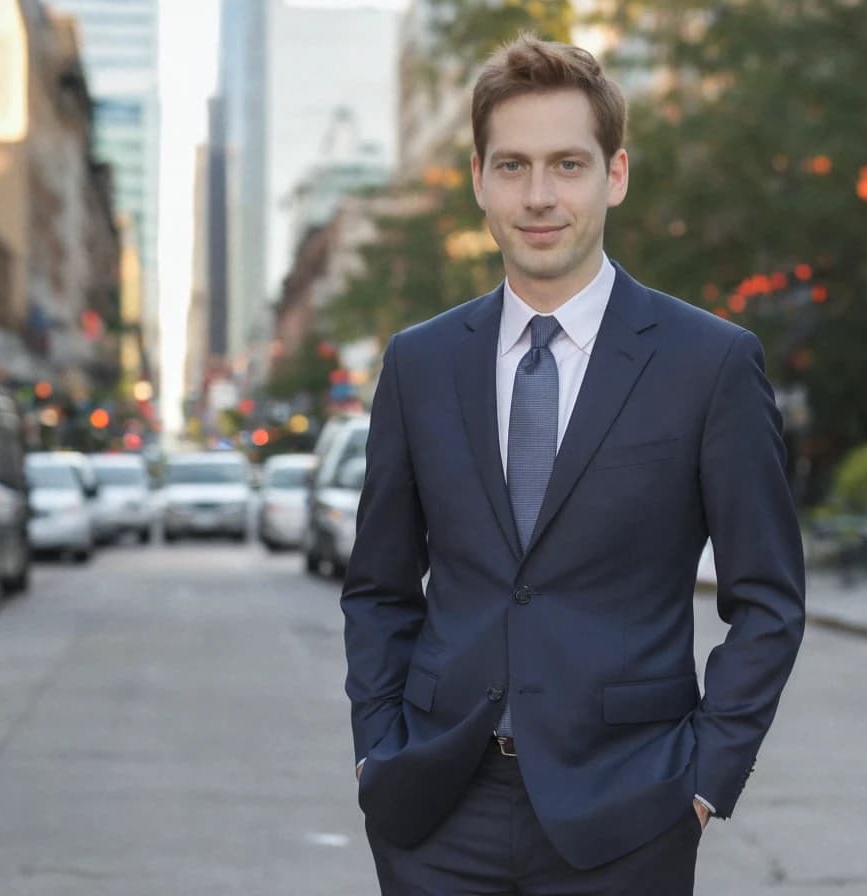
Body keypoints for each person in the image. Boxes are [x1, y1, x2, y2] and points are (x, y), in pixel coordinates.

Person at [342, 33, 805, 895]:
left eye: (567, 163)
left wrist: (703, 783)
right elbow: (379, 585)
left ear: (614, 175)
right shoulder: (420, 362)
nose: (540, 196)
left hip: (631, 813)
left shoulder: (709, 363)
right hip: (436, 811)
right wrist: (378, 748)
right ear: (478, 181)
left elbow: (769, 601)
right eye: (512, 166)